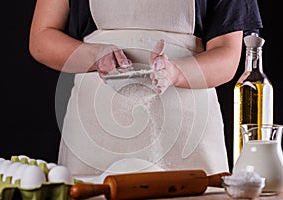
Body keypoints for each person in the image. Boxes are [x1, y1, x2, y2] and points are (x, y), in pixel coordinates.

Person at [29, 0, 263, 177]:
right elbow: (42, 37)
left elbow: (227, 54)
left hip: (187, 130)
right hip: (94, 130)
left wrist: (175, 73)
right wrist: (95, 56)